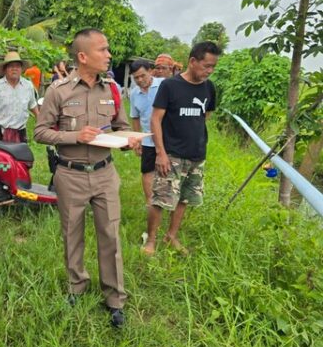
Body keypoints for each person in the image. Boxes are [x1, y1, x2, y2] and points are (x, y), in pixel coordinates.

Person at [34, 28, 140, 328]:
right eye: (102, 50)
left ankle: (115, 299)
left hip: (105, 173)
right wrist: (75, 136)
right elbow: (40, 132)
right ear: (83, 56)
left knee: (111, 235)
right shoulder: (58, 91)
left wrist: (128, 140)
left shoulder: (112, 90)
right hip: (71, 174)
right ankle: (76, 287)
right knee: (72, 234)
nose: (109, 55)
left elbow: (120, 126)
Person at [141, 41, 221, 256]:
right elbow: (155, 119)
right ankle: (151, 240)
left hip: (197, 154)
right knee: (160, 198)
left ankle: (171, 236)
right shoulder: (170, 86)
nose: (210, 71)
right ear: (192, 61)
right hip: (172, 154)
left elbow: (205, 115)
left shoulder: (209, 88)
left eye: (213, 67)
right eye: (206, 66)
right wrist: (161, 153)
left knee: (184, 198)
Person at [0, 51, 39, 143]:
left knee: (21, 152)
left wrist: (40, 122)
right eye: (11, 66)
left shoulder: (28, 86)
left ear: (21, 69)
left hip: (20, 132)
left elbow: (32, 105)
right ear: (5, 69)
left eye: (17, 66)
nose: (14, 69)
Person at [129, 60, 164, 205]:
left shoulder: (164, 85)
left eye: (142, 75)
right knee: (147, 171)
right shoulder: (134, 93)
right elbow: (135, 117)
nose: (139, 80)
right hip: (148, 140)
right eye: (135, 77)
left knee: (167, 171)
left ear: (150, 71)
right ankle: (151, 203)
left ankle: (166, 202)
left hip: (167, 139)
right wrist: (138, 140)